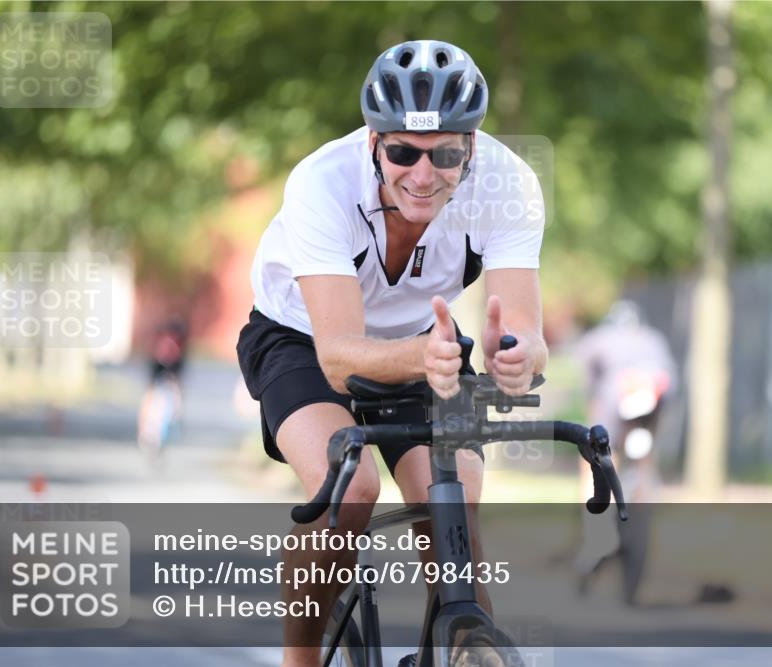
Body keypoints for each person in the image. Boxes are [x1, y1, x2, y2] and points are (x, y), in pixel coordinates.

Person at [236, 40, 547, 667]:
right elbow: (338, 357)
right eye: (403, 152)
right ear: (374, 142)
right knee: (348, 492)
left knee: (451, 501)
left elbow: (524, 332)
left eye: (447, 154)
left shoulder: (510, 184)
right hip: (302, 337)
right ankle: (299, 663)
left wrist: (516, 355)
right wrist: (422, 360)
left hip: (425, 339)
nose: (424, 175)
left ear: (473, 148)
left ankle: (467, 646)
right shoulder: (322, 183)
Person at [573, 299, 677, 604]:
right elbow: (671, 384)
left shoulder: (598, 341)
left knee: (596, 454)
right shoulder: (653, 339)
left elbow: (590, 387)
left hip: (615, 403)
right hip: (652, 403)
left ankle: (593, 511)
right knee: (645, 459)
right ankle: (645, 486)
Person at [137, 318, 188, 455]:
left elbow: (177, 383)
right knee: (156, 412)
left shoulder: (178, 358)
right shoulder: (157, 358)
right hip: (159, 388)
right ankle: (151, 437)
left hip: (168, 388)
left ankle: (156, 438)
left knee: (165, 413)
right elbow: (151, 389)